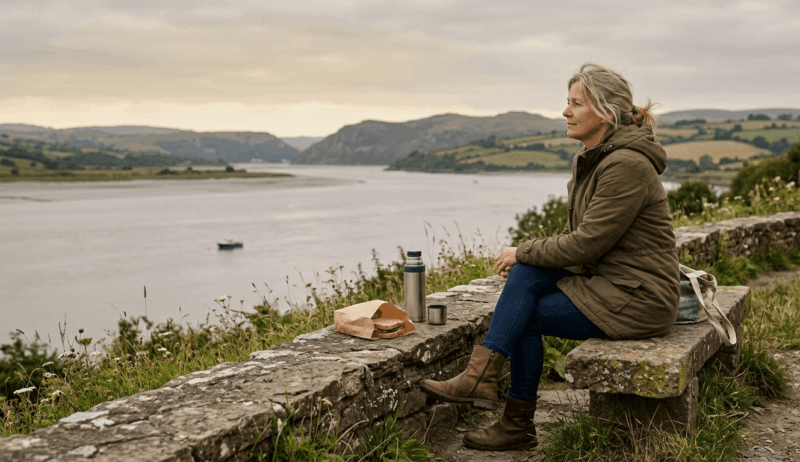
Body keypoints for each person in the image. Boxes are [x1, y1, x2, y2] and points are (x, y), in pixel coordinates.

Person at [420, 63, 680, 451]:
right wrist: (527, 257)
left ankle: (512, 418)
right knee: (525, 277)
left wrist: (522, 249)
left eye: (576, 103)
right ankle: (492, 393)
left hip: (639, 298)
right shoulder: (591, 159)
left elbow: (586, 244)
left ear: (606, 113)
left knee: (520, 315)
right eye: (567, 102)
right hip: (611, 283)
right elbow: (580, 238)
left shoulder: (626, 165)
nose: (565, 111)